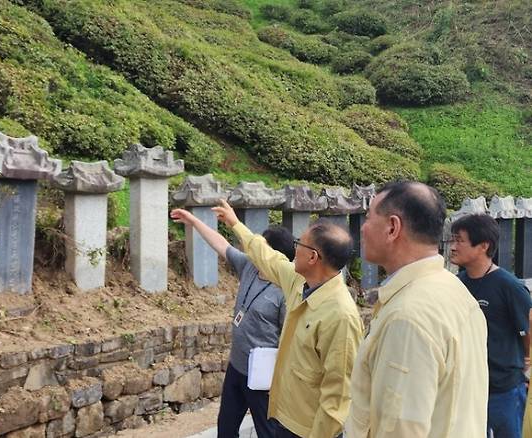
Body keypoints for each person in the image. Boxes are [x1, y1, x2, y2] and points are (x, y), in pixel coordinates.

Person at [344, 181, 488, 438]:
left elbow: (400, 428)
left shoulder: (408, 317)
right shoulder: (455, 290)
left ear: (392, 227)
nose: (362, 229)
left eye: (368, 218)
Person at [211, 199, 363, 438]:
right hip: (283, 416)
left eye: (298, 243)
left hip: (308, 430)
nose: (294, 249)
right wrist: (234, 223)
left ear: (313, 257)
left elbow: (339, 394)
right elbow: (267, 257)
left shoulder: (341, 315)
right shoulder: (299, 281)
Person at [171, 208, 294, 438]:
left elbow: (289, 338)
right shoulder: (248, 266)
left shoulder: (284, 291)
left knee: (268, 433)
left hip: (263, 379)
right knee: (226, 430)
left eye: (261, 249)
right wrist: (194, 221)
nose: (254, 251)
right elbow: (220, 244)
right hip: (236, 368)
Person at [450, 213, 532, 438]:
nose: (453, 247)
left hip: (503, 388)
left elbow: (528, 327)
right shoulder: (457, 284)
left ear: (483, 245)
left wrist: (525, 362)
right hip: (470, 385)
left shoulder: (509, 286)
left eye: (459, 240)